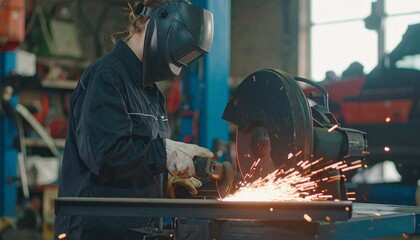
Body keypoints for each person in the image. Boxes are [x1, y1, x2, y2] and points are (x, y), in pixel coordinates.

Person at [54, 0, 214, 239]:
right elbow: (104, 155)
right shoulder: (107, 77)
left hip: (137, 231)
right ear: (151, 21)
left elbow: (139, 159)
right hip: (95, 232)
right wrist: (165, 153)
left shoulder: (152, 94)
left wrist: (164, 182)